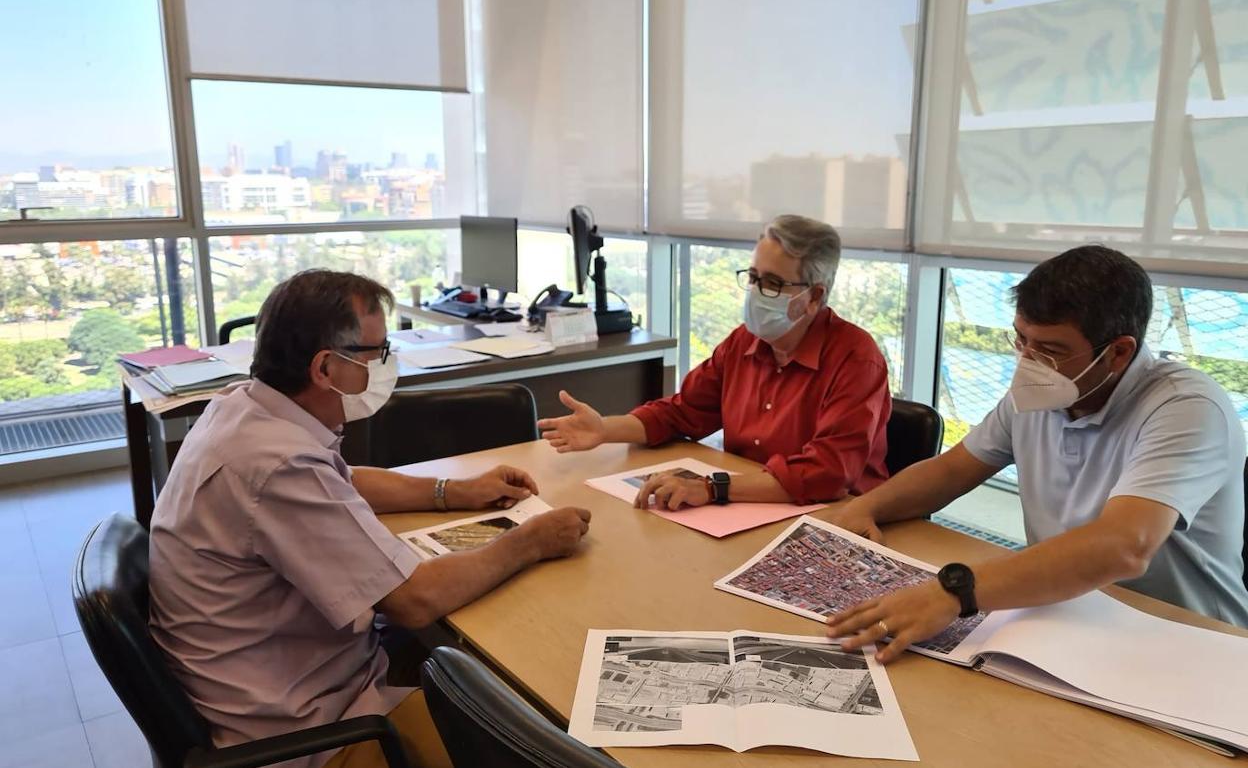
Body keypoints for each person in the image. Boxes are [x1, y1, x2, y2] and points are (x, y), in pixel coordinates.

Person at [149, 270, 592, 768]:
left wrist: (455, 491)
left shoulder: (245, 409)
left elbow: (342, 478)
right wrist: (530, 541)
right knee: (529, 740)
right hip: (314, 729)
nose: (386, 365)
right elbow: (415, 600)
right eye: (376, 353)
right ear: (325, 368)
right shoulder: (277, 466)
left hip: (283, 677)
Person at [824, 245, 1248, 663]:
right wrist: (866, 507)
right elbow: (952, 470)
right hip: (1066, 614)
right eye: (1021, 340)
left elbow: (1125, 545)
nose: (1029, 362)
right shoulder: (1038, 395)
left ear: (1118, 352)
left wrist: (954, 591)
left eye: (1051, 350)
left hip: (1185, 640)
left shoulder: (1187, 408)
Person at [537, 214, 892, 510]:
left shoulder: (856, 359)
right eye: (753, 278)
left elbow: (826, 474)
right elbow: (682, 411)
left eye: (771, 283)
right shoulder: (745, 342)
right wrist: (605, 430)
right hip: (750, 506)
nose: (755, 292)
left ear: (814, 296)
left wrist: (713, 488)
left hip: (838, 517)